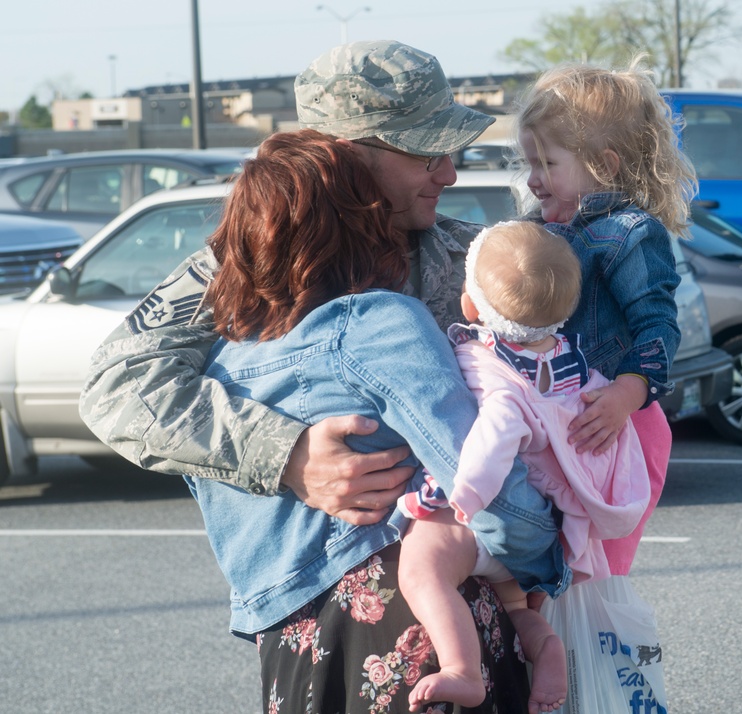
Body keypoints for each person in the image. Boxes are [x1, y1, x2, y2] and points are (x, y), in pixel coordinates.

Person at [78, 40, 570, 714]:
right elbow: (118, 387)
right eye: (424, 153)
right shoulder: (252, 258)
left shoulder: (478, 262)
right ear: (345, 155)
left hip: (489, 603)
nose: (449, 175)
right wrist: (285, 455)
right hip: (338, 619)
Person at [397, 220, 651, 713]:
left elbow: (493, 441)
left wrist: (460, 499)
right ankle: (545, 646)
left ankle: (461, 670)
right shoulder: (575, 365)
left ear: (470, 307)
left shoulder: (495, 373)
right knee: (516, 604)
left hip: (500, 519)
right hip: (550, 532)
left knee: (422, 567)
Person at [509, 60, 699, 713]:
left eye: (547, 162)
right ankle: (569, 681)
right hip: (579, 428)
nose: (532, 178)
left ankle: (596, 689)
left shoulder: (628, 233)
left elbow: (656, 323)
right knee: (553, 578)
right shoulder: (546, 231)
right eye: (528, 162)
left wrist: (628, 392)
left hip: (623, 425)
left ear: (606, 165)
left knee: (589, 578)